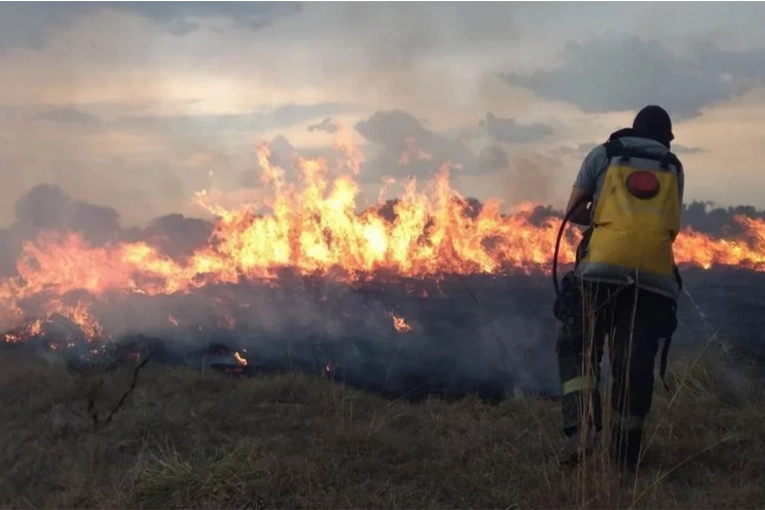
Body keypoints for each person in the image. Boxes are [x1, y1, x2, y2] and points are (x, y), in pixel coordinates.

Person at [553, 105, 684, 468]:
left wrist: (603, 213)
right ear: (664, 138)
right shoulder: (673, 166)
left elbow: (574, 212)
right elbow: (670, 226)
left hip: (599, 272)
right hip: (653, 279)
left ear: (631, 130)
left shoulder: (603, 155)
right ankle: (626, 457)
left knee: (577, 346)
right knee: (634, 363)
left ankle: (581, 433)